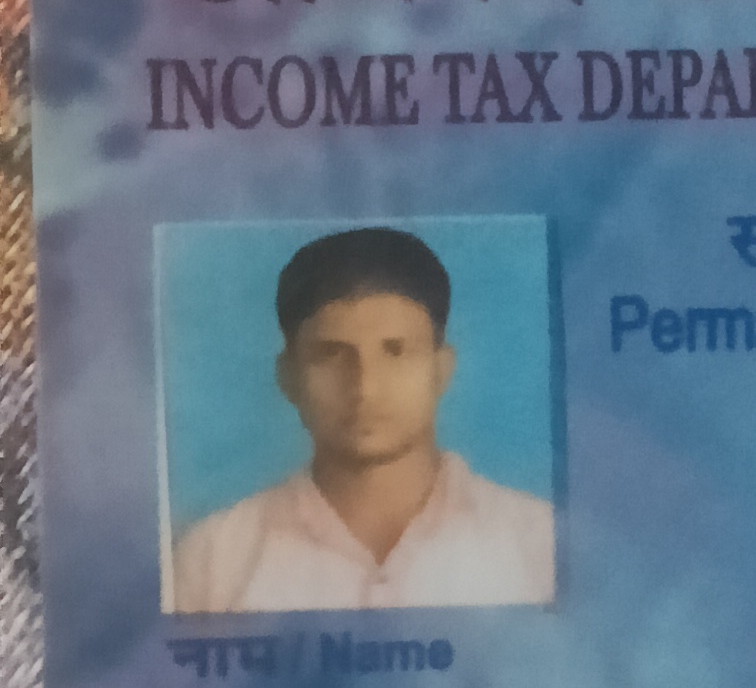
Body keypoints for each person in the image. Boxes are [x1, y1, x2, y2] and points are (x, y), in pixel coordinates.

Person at [170, 227, 554, 611]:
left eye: (396, 351)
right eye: (331, 354)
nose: (365, 388)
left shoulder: (540, 544)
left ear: (441, 370)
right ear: (288, 377)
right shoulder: (213, 560)